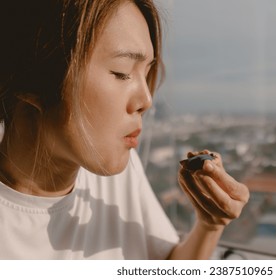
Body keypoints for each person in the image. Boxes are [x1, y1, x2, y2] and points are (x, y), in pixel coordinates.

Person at [0, 0, 249, 259]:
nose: (146, 100)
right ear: (31, 77)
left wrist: (210, 224)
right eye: (121, 73)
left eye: (147, 72)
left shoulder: (118, 170)